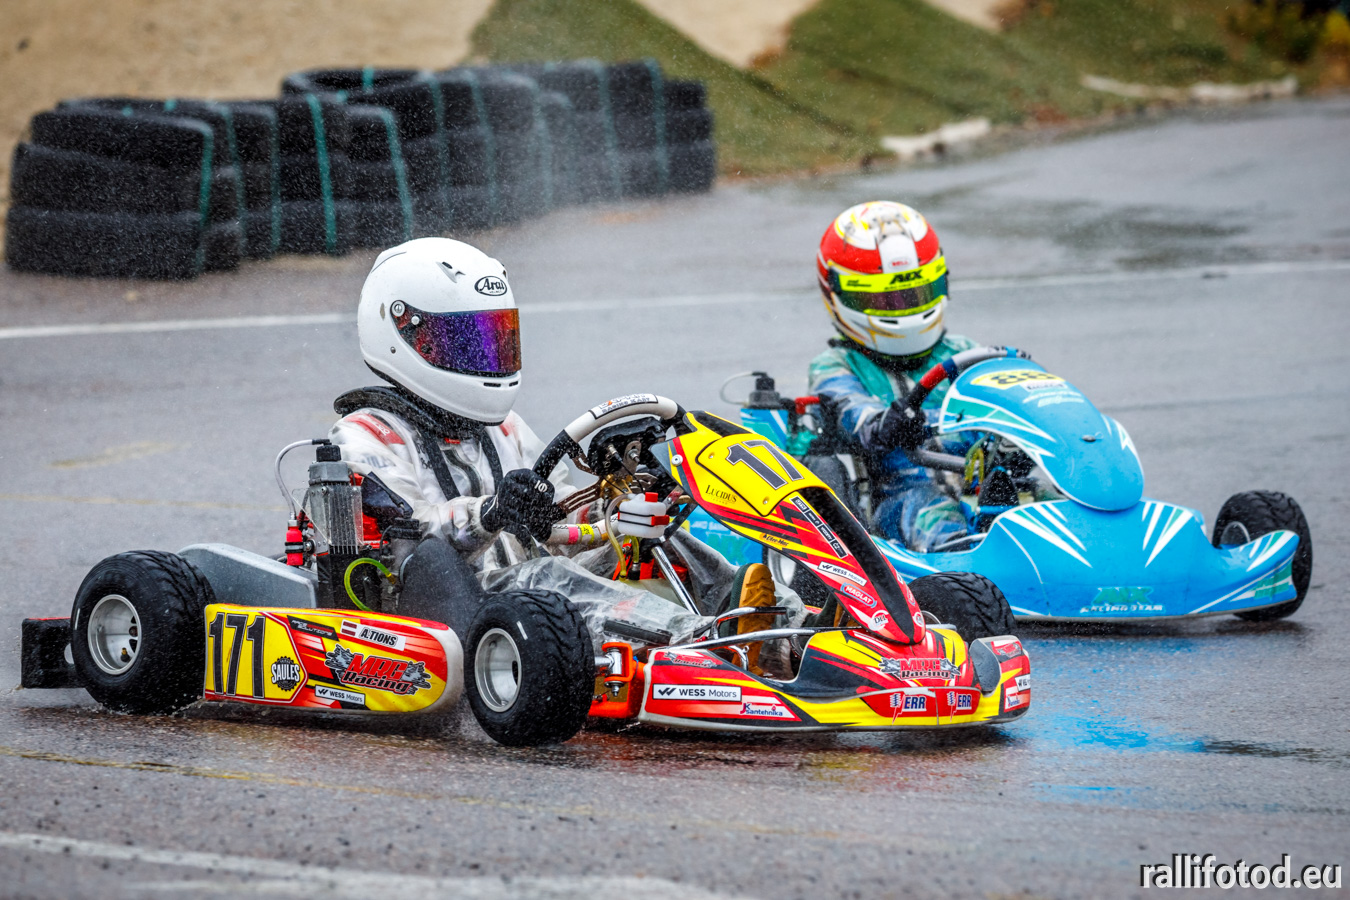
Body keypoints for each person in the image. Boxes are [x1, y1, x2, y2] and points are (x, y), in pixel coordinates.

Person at [328, 237, 784, 656]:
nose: (484, 357)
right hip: (445, 611)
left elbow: (557, 514)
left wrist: (621, 504)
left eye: (492, 341)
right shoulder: (364, 434)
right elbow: (407, 544)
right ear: (400, 332)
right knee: (547, 577)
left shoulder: (502, 428)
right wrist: (490, 513)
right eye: (463, 343)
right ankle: (705, 644)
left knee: (659, 536)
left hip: (529, 602)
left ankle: (783, 630)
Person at [807, 201, 974, 552]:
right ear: (838, 294)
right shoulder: (834, 366)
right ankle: (962, 563)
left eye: (914, 295)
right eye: (885, 300)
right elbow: (854, 415)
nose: (901, 308)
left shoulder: (966, 353)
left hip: (981, 487)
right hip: (896, 504)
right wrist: (886, 422)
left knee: (1055, 502)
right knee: (936, 514)